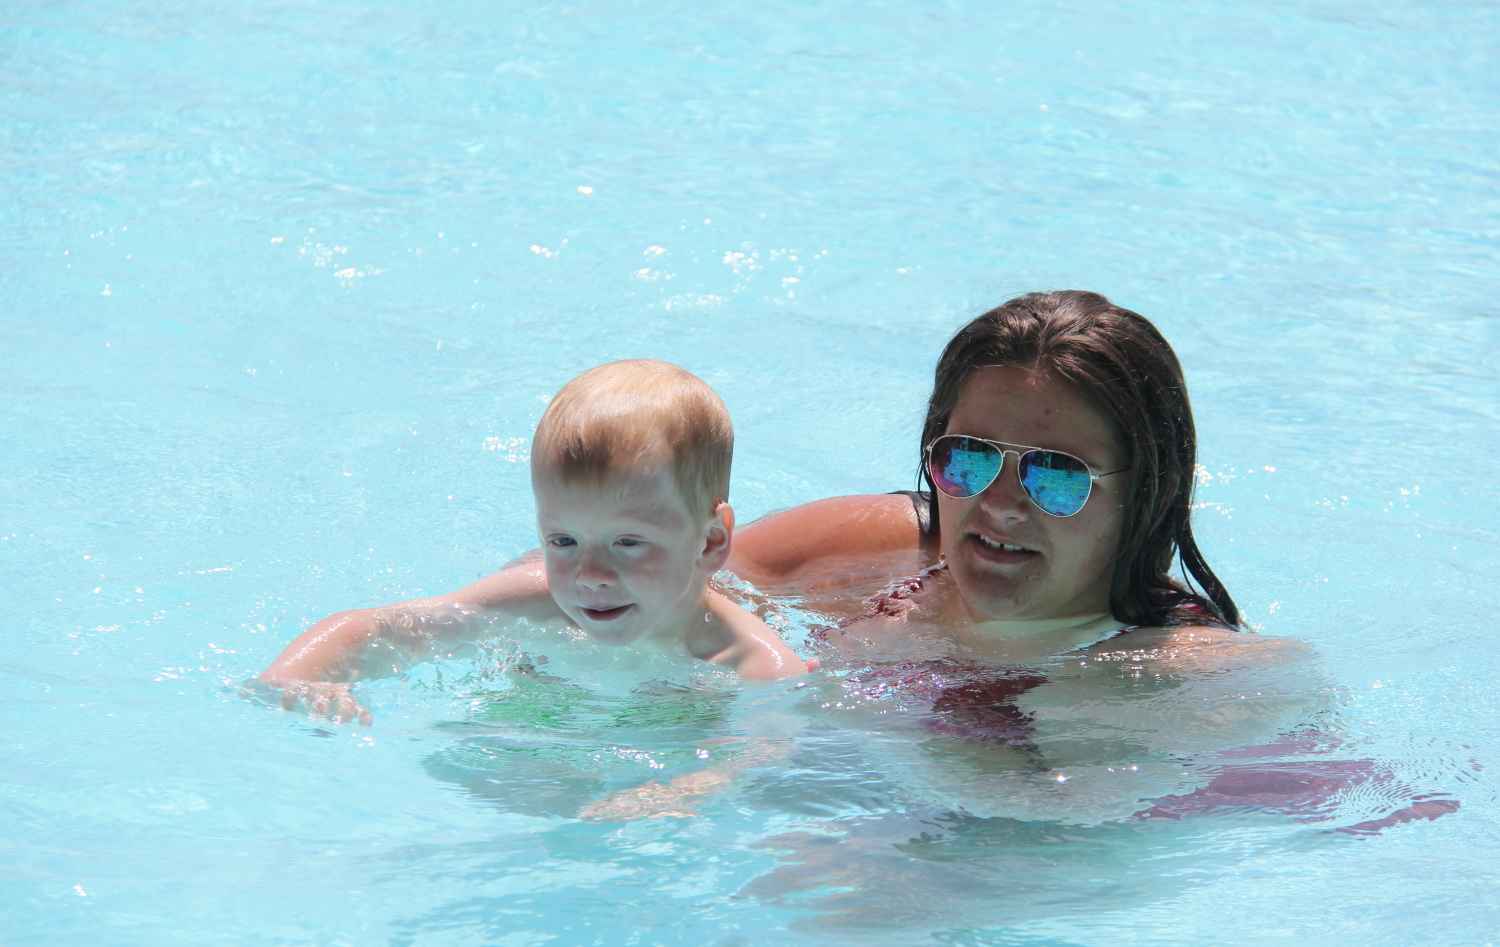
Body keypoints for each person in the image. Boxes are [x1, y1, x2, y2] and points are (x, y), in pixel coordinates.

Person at [257, 359, 810, 725]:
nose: (589, 574)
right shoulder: (536, 597)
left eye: (628, 543)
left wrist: (684, 790)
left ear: (711, 543)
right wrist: (299, 679)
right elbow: (380, 627)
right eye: (564, 539)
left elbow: (758, 751)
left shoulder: (750, 659)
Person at [728, 289, 1245, 663]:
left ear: (1148, 495)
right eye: (970, 457)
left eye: (1057, 474)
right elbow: (670, 577)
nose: (1000, 506)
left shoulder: (1189, 672)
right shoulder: (878, 545)